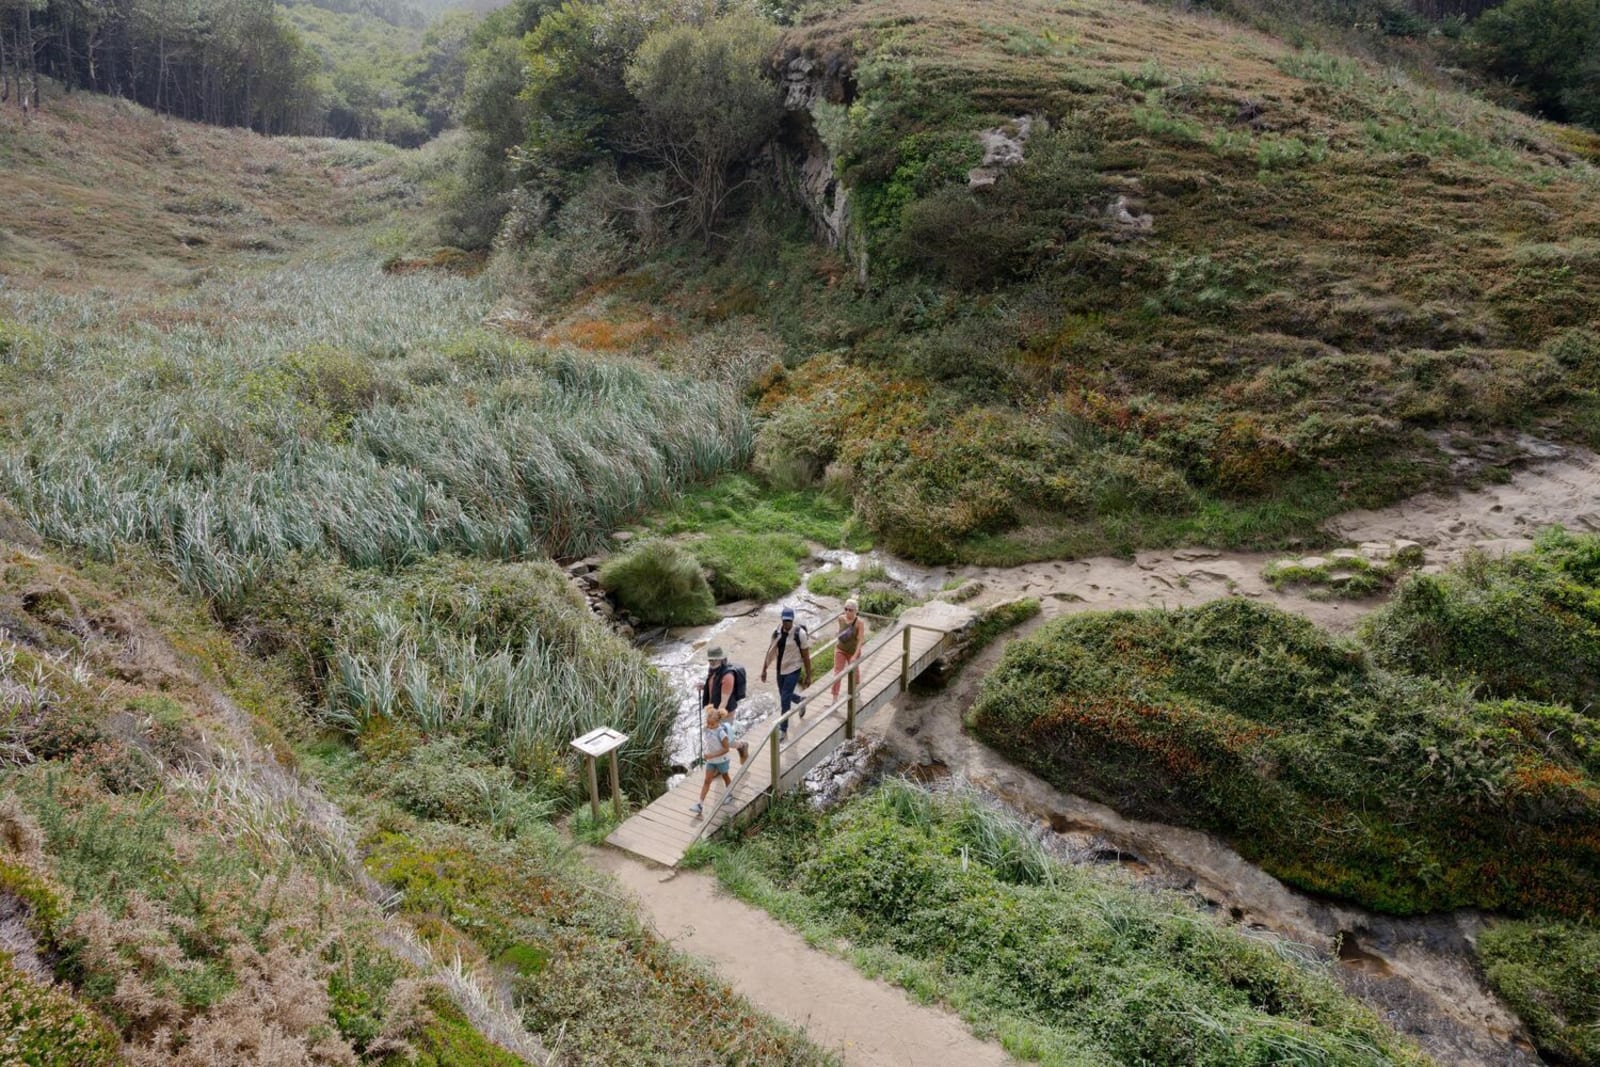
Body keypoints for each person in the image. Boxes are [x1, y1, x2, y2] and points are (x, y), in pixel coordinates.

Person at [762, 606, 813, 742]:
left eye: (789, 621)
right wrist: (764, 669)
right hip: (780, 670)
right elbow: (770, 651)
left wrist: (808, 675)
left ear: (793, 620)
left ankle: (783, 729)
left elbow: (806, 656)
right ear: (781, 620)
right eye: (785, 621)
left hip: (794, 669)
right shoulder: (777, 632)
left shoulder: (799, 634)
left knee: (784, 699)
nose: (786, 624)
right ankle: (800, 700)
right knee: (784, 694)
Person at [701, 646, 748, 761]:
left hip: (724, 712)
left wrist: (714, 718)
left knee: (727, 741)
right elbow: (714, 686)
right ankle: (718, 766)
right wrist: (703, 687)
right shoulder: (713, 670)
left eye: (714, 659)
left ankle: (742, 746)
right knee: (716, 739)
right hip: (713, 710)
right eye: (710, 660)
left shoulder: (728, 676)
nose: (711, 662)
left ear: (721, 659)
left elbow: (724, 701)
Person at [691, 705, 732, 816]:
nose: (709, 726)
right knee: (707, 781)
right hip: (711, 761)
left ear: (718, 722)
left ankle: (729, 794)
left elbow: (726, 748)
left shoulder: (721, 733)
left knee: (725, 776)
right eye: (708, 723)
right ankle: (699, 804)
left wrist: (712, 755)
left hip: (722, 760)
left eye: (712, 724)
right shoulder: (707, 729)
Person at [830, 598, 868, 706]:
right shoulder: (841, 618)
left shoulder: (859, 623)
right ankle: (835, 698)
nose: (847, 612)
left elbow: (860, 640)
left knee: (854, 671)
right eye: (846, 609)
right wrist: (837, 634)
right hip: (840, 649)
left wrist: (855, 655)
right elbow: (841, 631)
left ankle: (856, 688)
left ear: (856, 611)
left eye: (850, 610)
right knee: (837, 672)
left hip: (852, 651)